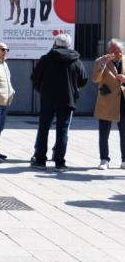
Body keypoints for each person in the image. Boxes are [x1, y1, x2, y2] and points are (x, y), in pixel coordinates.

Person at [30, 34, 89, 171]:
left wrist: (42, 90)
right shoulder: (75, 60)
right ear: (68, 45)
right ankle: (59, 163)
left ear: (55, 44)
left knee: (43, 129)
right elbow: (83, 79)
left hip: (48, 99)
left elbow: (35, 77)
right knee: (62, 131)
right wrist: (74, 89)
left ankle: (40, 161)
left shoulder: (46, 59)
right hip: (67, 100)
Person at [92, 39, 125, 170]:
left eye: (120, 51)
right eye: (114, 52)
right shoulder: (99, 61)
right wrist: (103, 64)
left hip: (123, 100)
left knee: (124, 132)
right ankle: (104, 159)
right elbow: (95, 79)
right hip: (107, 102)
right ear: (108, 52)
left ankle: (124, 160)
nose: (118, 54)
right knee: (104, 133)